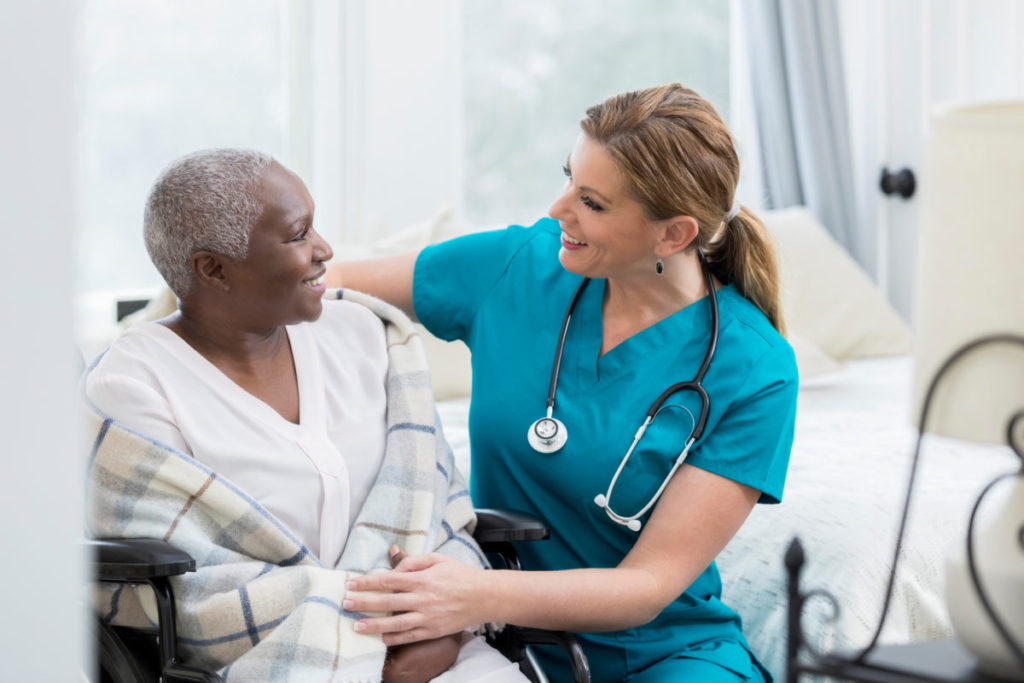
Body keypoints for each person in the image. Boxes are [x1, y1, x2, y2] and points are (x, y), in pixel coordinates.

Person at [332, 84, 799, 682]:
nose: (557, 210)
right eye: (566, 178)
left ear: (674, 235)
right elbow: (331, 285)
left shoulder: (753, 367)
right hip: (494, 643)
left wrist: (475, 594)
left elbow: (647, 585)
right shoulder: (517, 265)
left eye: (592, 203)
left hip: (657, 655)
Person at [83, 148, 528, 683]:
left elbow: (437, 513)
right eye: (298, 235)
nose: (325, 250)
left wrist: (444, 629)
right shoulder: (132, 385)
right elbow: (189, 591)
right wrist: (374, 659)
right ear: (214, 269)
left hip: (441, 648)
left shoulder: (364, 334)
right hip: (274, 664)